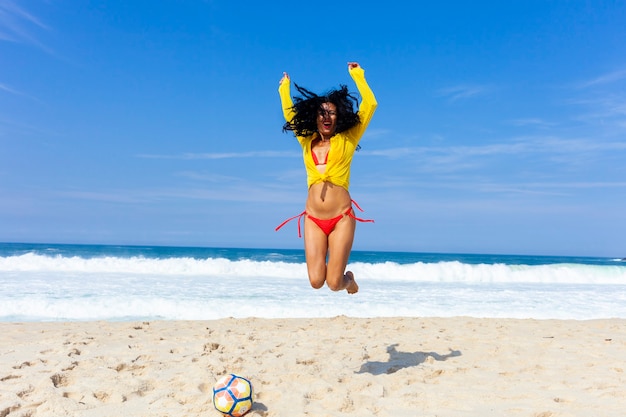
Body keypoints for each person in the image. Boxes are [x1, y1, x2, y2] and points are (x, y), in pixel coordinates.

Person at [276, 62, 377, 294]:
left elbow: (370, 105)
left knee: (334, 284)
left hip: (341, 217)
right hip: (313, 218)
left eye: (331, 112)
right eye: (322, 113)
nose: (326, 116)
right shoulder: (306, 140)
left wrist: (358, 75)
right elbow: (289, 115)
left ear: (338, 115)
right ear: (315, 117)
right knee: (315, 281)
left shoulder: (348, 138)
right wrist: (285, 89)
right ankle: (339, 277)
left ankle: (349, 280)